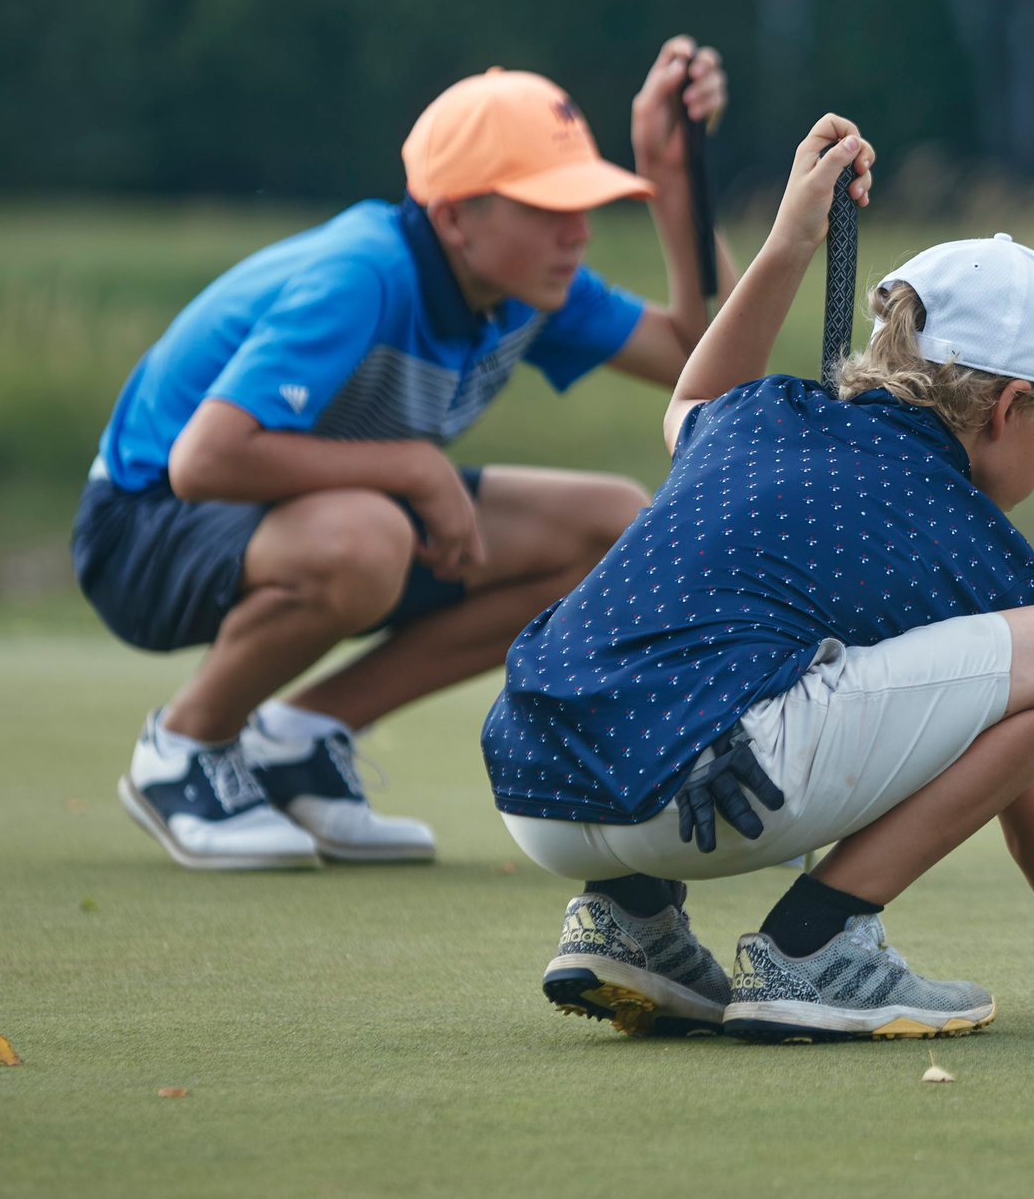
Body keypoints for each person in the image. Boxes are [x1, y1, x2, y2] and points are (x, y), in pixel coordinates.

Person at [480, 115, 1034, 1041]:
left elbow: (689, 397)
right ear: (1011, 407)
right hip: (697, 797)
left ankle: (628, 921)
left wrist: (785, 246)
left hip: (536, 789)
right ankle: (816, 947)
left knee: (721, 641)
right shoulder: (975, 542)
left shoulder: (758, 414)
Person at [73, 42, 733, 871]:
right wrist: (415, 471)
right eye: (547, 207)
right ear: (455, 215)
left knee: (610, 526)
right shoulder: (365, 273)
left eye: (586, 203)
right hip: (144, 525)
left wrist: (676, 187)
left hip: (314, 508)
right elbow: (202, 461)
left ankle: (301, 739)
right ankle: (183, 749)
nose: (579, 232)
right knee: (368, 537)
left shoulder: (523, 286)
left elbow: (699, 359)